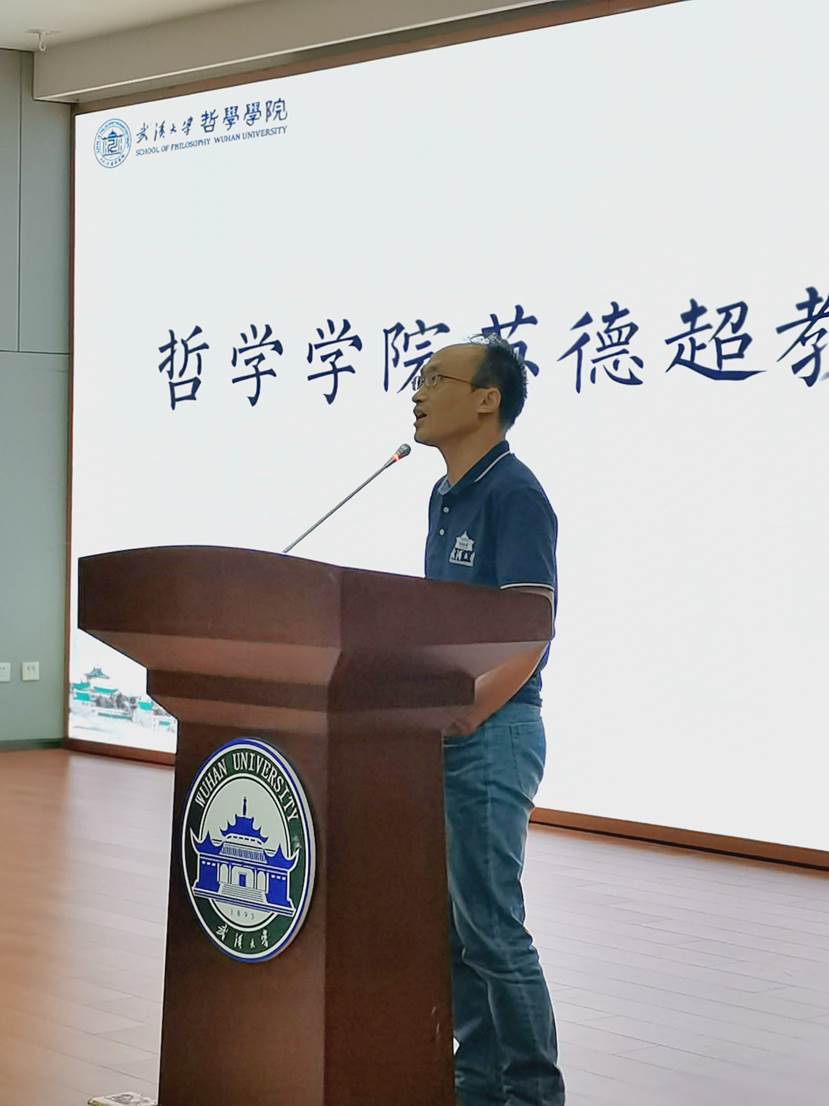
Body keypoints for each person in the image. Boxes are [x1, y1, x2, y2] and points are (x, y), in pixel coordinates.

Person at [412, 335, 566, 1106]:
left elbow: (531, 629)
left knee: (493, 932)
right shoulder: (443, 493)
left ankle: (533, 1096)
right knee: (458, 932)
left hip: (492, 732)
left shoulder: (514, 493)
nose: (416, 392)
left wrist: (466, 716)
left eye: (433, 378)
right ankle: (474, 1089)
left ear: (485, 399)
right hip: (448, 728)